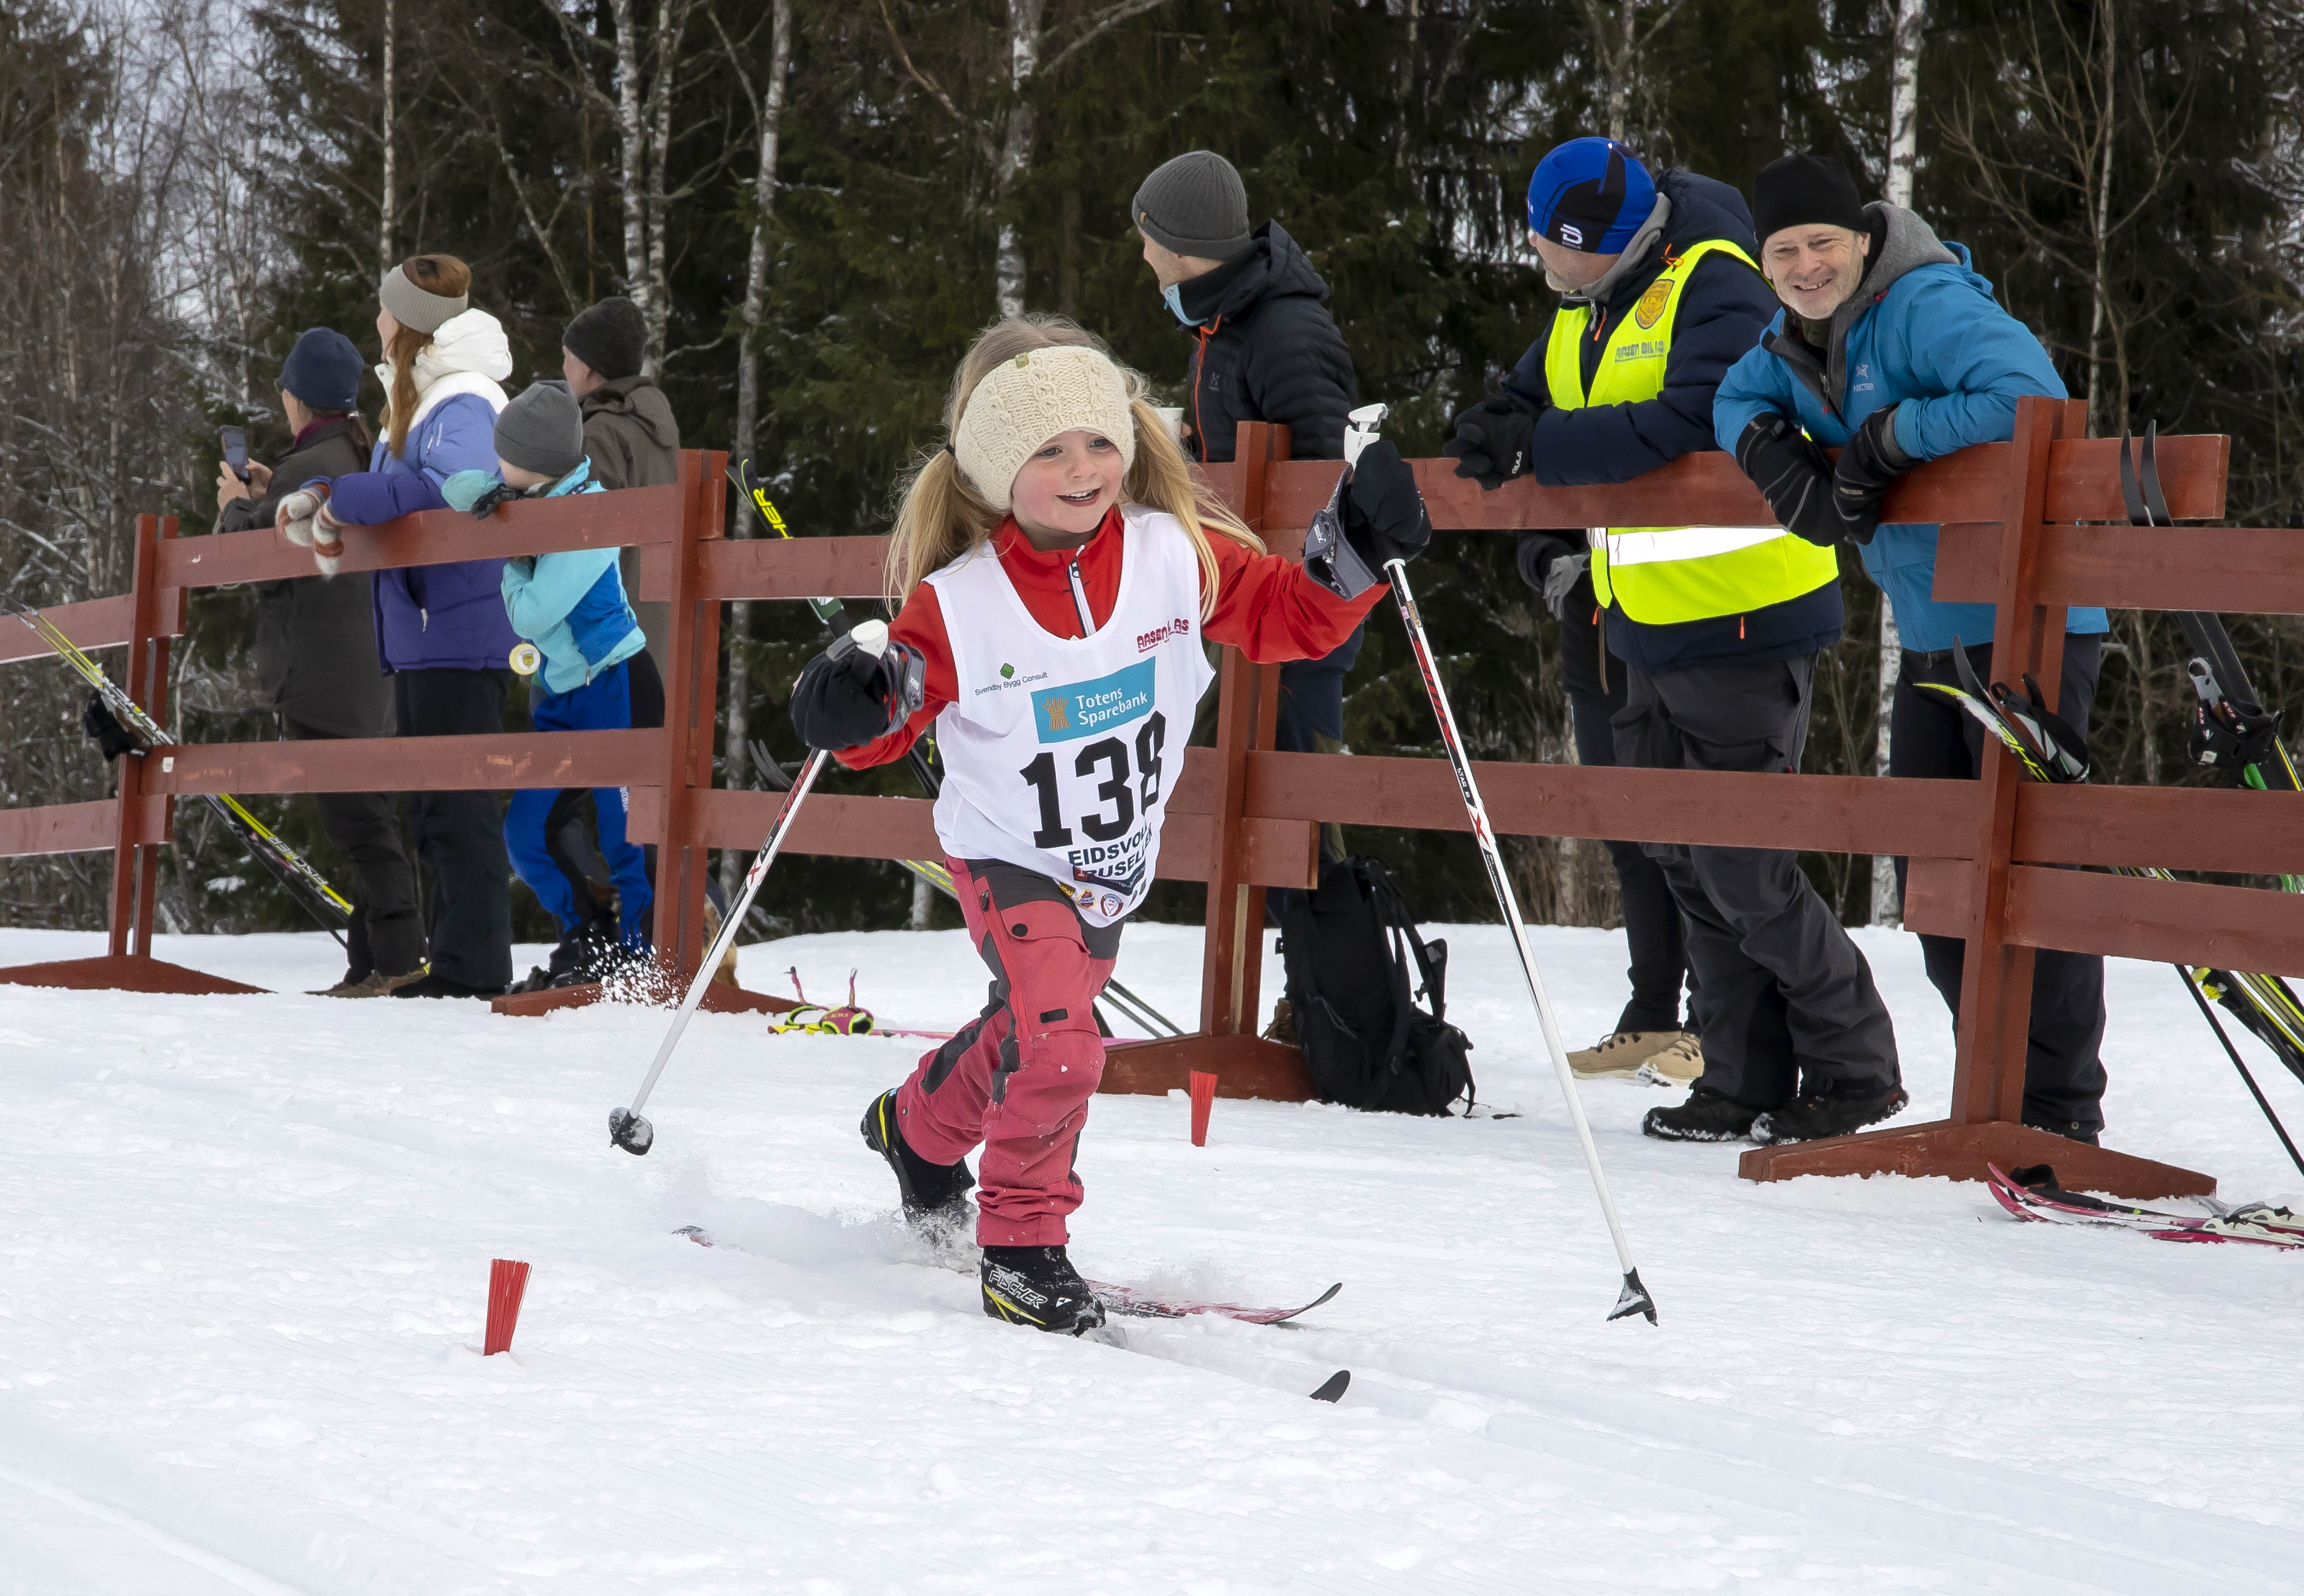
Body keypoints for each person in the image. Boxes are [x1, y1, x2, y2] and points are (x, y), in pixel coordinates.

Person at [788, 317, 1431, 1333]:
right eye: (1048, 450)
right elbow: (884, 717)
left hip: (1111, 865)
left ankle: (915, 1129)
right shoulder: (959, 605)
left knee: (1032, 1029)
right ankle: (1024, 1249)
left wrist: (1356, 543)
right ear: (999, 470)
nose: (1083, 467)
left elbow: (1291, 614)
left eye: (1099, 440)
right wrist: (848, 703)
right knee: (1063, 1043)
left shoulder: (1174, 554)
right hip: (1009, 856)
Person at [1716, 152, 2108, 1144]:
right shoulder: (1790, 342)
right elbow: (1729, 396)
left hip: (2031, 628)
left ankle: (2057, 1119)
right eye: (1783, 252)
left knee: (2028, 880)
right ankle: (1995, 1102)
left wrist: (1891, 437)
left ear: (1860, 238)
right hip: (1935, 644)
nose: (1805, 266)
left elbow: (2030, 395)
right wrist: (1766, 446)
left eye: (1820, 244)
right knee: (1935, 893)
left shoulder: (1924, 303)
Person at [1443, 136, 1786, 1088]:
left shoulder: (1714, 284)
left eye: (1547, 244)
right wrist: (1497, 441)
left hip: (1729, 607)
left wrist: (1541, 447)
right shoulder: (1588, 300)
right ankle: (1663, 1015)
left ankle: (1753, 1049)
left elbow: (1684, 424)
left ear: (1596, 240)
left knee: (1726, 851)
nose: (1538, 262)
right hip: (1626, 598)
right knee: (1638, 822)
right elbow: (1530, 402)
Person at [274, 254, 519, 998]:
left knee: (457, 806)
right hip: (424, 630)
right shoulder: (420, 397)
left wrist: (348, 495)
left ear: (407, 322)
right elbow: (391, 483)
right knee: (431, 805)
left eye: (384, 310)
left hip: (459, 629)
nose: (375, 322)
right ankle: (453, 962)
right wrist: (326, 491)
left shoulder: (464, 399)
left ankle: (472, 968)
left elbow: (459, 489)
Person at [1131, 150, 1364, 900]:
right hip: (1242, 596)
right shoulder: (1225, 323)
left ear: (1179, 243)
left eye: (1147, 237)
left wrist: (1304, 586)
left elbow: (1330, 475)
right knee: (1254, 800)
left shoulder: (1284, 331)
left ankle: (1332, 988)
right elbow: (1233, 449)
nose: (1142, 254)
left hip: (1302, 606)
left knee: (1298, 806)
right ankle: (1309, 988)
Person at [214, 328, 423, 997]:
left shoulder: (313, 469)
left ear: (295, 397)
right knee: (368, 817)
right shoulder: (358, 453)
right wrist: (273, 493)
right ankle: (371, 964)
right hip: (369, 669)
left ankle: (397, 963)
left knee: (360, 825)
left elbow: (249, 561)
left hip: (322, 672)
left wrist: (233, 508)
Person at [436, 382, 657, 984]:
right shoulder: (530, 493)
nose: (494, 460)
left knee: (625, 836)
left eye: (503, 452)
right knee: (526, 832)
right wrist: (497, 492)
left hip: (616, 684)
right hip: (561, 695)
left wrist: (511, 553)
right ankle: (588, 940)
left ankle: (642, 959)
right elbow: (455, 487)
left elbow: (532, 615)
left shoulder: (590, 512)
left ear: (536, 460)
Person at [561, 295, 678, 669]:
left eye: (567, 357)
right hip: (654, 627)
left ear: (589, 367)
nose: (563, 368)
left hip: (610, 637)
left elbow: (586, 547)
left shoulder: (600, 433)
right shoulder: (653, 422)